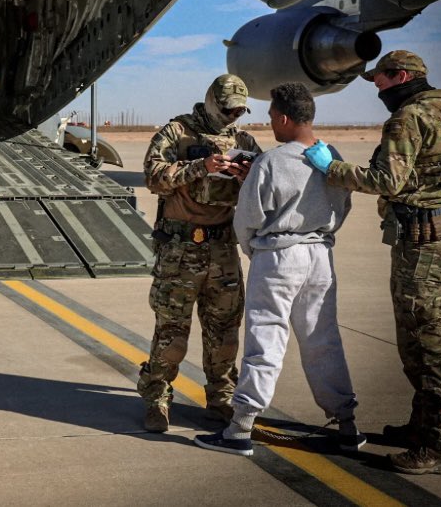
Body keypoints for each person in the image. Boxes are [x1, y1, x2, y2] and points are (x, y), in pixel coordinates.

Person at [306, 50, 441, 475]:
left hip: (420, 248)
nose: (378, 89)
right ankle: (423, 427)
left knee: (424, 347)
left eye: (380, 81)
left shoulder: (408, 119)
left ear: (401, 76)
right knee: (421, 342)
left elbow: (387, 181)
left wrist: (333, 168)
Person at [195, 82, 364, 457]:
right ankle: (347, 424)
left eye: (272, 116)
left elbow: (248, 219)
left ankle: (240, 428)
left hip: (278, 256)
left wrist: (257, 250)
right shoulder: (330, 156)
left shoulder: (271, 161)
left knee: (265, 342)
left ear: (284, 118)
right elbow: (343, 206)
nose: (270, 123)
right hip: (319, 255)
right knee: (323, 340)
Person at [139, 74, 262, 432]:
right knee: (171, 332)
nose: (232, 116)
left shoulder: (244, 140)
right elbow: (153, 176)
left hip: (222, 249)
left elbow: (264, 189)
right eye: (227, 109)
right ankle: (158, 398)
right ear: (211, 100)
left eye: (239, 110)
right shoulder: (177, 132)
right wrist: (200, 167)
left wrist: (247, 175)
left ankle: (221, 399)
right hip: (180, 249)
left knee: (224, 331)